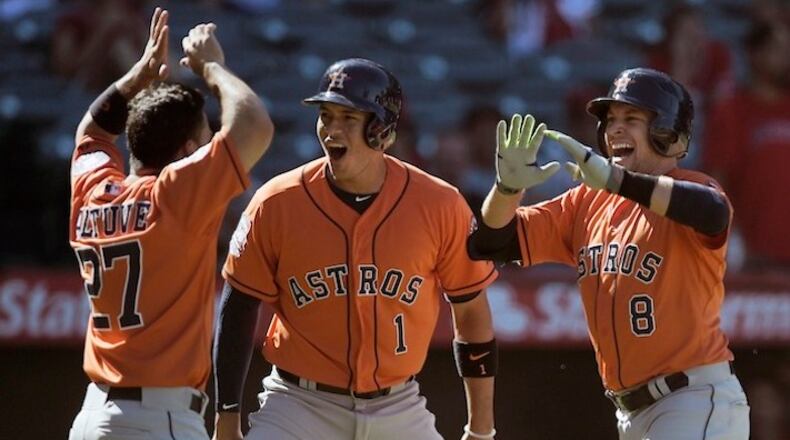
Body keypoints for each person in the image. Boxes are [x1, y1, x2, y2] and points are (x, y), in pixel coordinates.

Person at [213, 58, 498, 440]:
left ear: (382, 132)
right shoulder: (276, 203)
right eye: (326, 116)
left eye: (348, 118)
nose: (332, 129)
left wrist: (481, 429)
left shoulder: (439, 205)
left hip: (398, 406)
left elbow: (472, 314)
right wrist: (226, 419)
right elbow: (237, 309)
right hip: (299, 404)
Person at [469, 67, 750, 439]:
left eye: (632, 119)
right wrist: (506, 189)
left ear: (668, 134)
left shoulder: (693, 188)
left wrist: (617, 181)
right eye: (611, 120)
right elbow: (491, 242)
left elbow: (712, 210)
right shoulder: (587, 201)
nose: (615, 128)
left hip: (692, 398)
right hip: (632, 413)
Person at [67, 7, 273, 439]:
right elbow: (253, 123)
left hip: (92, 417)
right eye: (201, 142)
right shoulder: (175, 195)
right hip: (157, 418)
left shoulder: (93, 190)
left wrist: (135, 79)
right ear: (184, 152)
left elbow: (92, 132)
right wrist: (211, 66)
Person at [702, 20, 790, 270]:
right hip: (755, 259)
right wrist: (732, 238)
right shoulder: (732, 110)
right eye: (779, 49)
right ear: (755, 53)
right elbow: (717, 181)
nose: (787, 57)